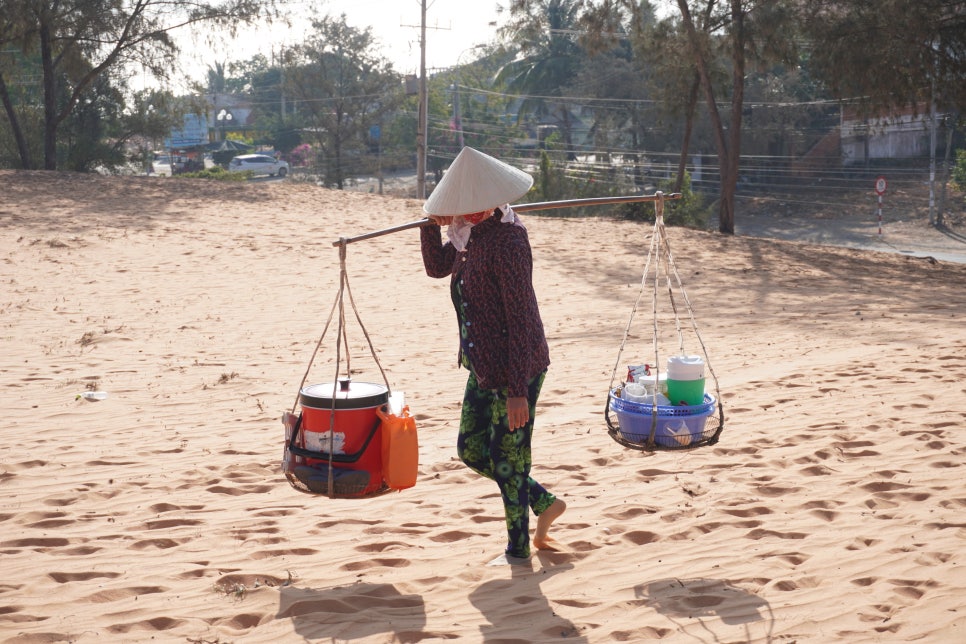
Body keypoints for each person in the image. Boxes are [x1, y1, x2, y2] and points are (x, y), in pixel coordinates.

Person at [419, 146, 566, 560]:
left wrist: (517, 389)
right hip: (483, 366)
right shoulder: (468, 235)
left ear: (488, 202)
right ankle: (542, 501)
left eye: (466, 206)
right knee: (472, 449)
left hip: (518, 367)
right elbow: (436, 267)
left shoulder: (508, 240)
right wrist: (432, 225)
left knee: (509, 455)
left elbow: (521, 319)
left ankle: (518, 551)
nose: (460, 212)